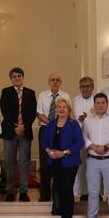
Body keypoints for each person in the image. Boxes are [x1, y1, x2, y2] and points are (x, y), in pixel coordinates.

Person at [41, 98, 83, 218]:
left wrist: (64, 152)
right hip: (54, 162)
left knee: (66, 189)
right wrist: (49, 152)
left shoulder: (73, 124)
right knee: (58, 190)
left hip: (69, 162)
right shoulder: (51, 124)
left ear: (68, 109)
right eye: (59, 107)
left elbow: (79, 143)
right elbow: (44, 141)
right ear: (56, 109)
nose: (61, 109)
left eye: (64, 107)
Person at [0, 67, 37, 202]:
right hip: (10, 132)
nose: (17, 78)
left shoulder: (30, 93)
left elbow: (33, 112)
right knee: (9, 162)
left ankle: (23, 192)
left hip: (25, 132)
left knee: (24, 163)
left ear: (23, 77)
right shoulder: (6, 92)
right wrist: (15, 127)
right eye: (14, 76)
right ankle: (10, 191)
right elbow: (5, 110)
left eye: (19, 76)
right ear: (11, 78)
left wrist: (24, 126)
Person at [36, 72, 70, 202]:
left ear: (60, 82)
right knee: (45, 163)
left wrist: (58, 126)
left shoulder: (65, 96)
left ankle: (58, 193)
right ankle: (44, 195)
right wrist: (52, 125)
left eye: (57, 80)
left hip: (62, 130)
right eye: (52, 80)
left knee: (59, 162)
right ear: (48, 82)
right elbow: (40, 113)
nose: (55, 82)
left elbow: (68, 112)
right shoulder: (42, 95)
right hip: (46, 130)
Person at [73, 76, 95, 201]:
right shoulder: (74, 100)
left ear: (92, 87)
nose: (85, 89)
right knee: (82, 166)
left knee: (94, 166)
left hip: (96, 138)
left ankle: (96, 192)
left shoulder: (98, 99)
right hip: (79, 138)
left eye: (88, 86)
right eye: (83, 86)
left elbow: (105, 113)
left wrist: (89, 117)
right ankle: (84, 192)